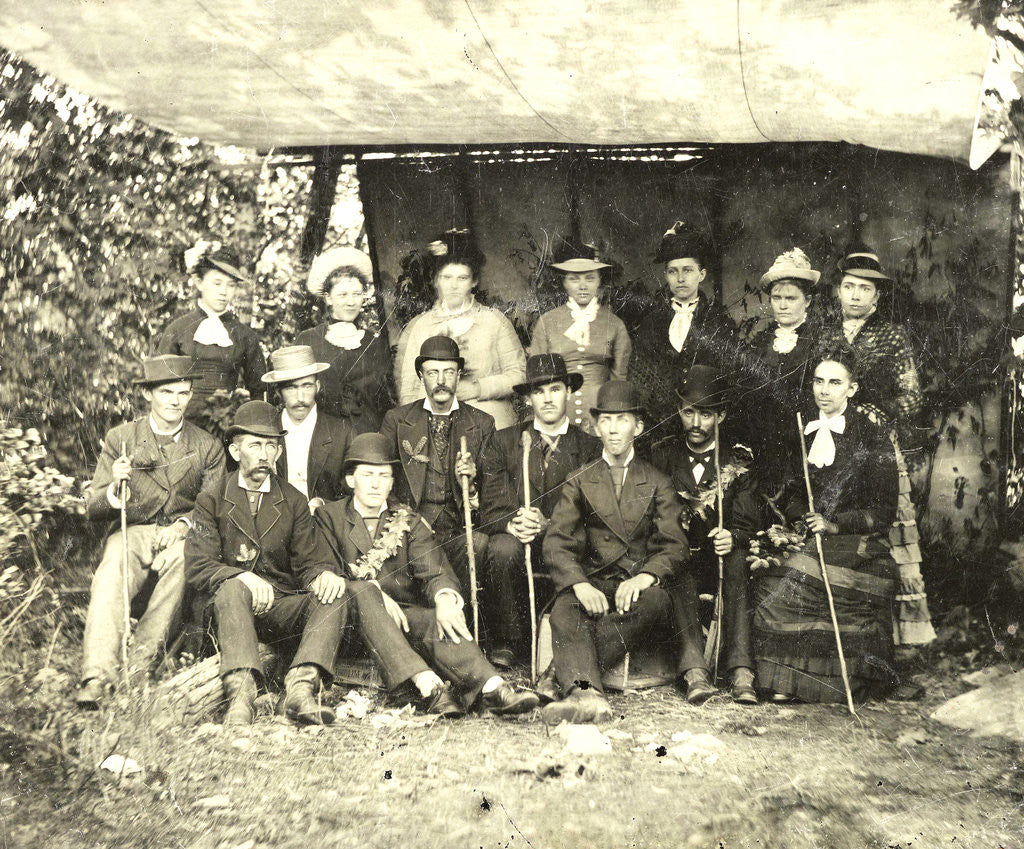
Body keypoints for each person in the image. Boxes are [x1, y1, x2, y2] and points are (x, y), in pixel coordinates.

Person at [314, 433, 539, 716]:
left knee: (438, 619)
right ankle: (430, 688)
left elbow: (435, 570)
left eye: (383, 476)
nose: (375, 484)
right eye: (367, 474)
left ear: (392, 482)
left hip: (404, 619)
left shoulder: (407, 520)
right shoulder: (329, 518)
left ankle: (494, 689)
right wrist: (375, 596)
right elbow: (326, 573)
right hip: (351, 622)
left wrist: (445, 597)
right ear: (350, 480)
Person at [540, 381, 713, 724]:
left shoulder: (657, 480)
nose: (614, 430)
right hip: (594, 582)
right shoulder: (579, 479)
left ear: (639, 426)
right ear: (595, 426)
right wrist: (579, 585)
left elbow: (674, 543)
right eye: (606, 421)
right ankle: (590, 697)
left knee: (657, 602)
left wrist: (645, 577)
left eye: (622, 420)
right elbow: (557, 542)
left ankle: (566, 678)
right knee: (563, 609)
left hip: (635, 587)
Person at [185, 401, 355, 726]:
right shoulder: (212, 499)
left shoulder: (292, 500)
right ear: (236, 452)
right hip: (228, 611)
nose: (265, 455)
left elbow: (310, 561)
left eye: (272, 446)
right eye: (255, 445)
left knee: (335, 594)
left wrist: (322, 575)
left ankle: (300, 690)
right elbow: (197, 567)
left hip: (278, 608)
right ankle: (240, 696)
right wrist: (241, 578)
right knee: (233, 587)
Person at [76, 355, 225, 708]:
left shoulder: (208, 446)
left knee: (182, 564)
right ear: (148, 394)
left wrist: (183, 526)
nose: (177, 401)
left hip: (183, 534)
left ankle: (135, 671)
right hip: (133, 530)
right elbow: (91, 506)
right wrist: (115, 487)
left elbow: (212, 510)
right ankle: (97, 675)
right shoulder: (122, 438)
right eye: (168, 392)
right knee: (113, 566)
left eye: (184, 393)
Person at [751, 352, 900, 703]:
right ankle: (783, 680)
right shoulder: (798, 429)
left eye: (835, 382)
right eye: (819, 381)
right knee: (774, 578)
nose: (825, 390)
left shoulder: (873, 438)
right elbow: (786, 493)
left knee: (805, 579)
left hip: (855, 540)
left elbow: (883, 511)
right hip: (806, 533)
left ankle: (838, 683)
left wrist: (834, 525)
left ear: (852, 388)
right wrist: (804, 516)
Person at [818, 246, 936, 673]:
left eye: (863, 289)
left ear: (877, 296)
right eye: (848, 286)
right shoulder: (827, 331)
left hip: (874, 446)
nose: (854, 295)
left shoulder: (891, 335)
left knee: (888, 533)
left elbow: (911, 396)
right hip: (832, 439)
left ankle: (896, 642)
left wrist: (874, 412)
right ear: (838, 291)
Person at [652, 366, 762, 704]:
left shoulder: (738, 460)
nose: (696, 424)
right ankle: (695, 672)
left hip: (720, 558)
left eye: (706, 414)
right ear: (679, 411)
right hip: (678, 557)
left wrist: (733, 537)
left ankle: (741, 671)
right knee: (677, 568)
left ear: (722, 415)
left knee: (738, 560)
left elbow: (748, 520)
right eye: (688, 413)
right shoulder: (662, 455)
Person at [483, 354, 602, 667]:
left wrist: (548, 523)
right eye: (539, 391)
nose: (548, 399)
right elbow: (492, 499)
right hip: (520, 538)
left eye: (555, 389)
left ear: (568, 392)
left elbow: (592, 508)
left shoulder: (590, 446)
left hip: (565, 541)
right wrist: (513, 522)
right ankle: (508, 642)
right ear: (528, 399)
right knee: (501, 547)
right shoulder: (504, 441)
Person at [379, 335, 509, 622]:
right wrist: (405, 517)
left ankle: (466, 631)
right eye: (432, 372)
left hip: (456, 532)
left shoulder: (481, 423)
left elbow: (495, 495)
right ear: (420, 375)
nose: (441, 380)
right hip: (410, 533)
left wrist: (472, 484)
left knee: (477, 545)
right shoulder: (397, 421)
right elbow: (383, 480)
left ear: (458, 375)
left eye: (449, 372)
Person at [393, 229, 526, 430]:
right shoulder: (420, 327)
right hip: (436, 424)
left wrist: (477, 388)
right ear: (435, 280)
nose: (453, 286)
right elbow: (409, 390)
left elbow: (519, 375)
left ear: (474, 281)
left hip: (490, 420)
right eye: (446, 278)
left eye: (462, 278)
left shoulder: (494, 321)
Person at [629, 221, 740, 440]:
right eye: (673, 271)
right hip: (658, 435)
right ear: (666, 276)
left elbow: (730, 383)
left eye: (688, 270)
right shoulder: (650, 324)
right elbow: (639, 383)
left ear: (702, 274)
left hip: (705, 432)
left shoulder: (719, 324)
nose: (680, 279)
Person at [529, 236, 632, 434]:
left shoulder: (615, 325)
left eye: (590, 277)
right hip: (558, 414)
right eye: (574, 278)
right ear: (564, 282)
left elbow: (619, 380)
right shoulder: (547, 322)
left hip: (600, 416)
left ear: (600, 280)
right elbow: (537, 379)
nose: (582, 286)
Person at [742, 248, 822, 490]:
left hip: (807, 444)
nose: (783, 305)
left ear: (807, 301)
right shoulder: (760, 342)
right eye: (777, 298)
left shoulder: (821, 340)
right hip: (766, 446)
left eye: (791, 298)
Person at [157, 239, 266, 415]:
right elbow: (159, 384)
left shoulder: (244, 336)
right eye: (217, 283)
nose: (224, 291)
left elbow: (259, 389)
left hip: (226, 425)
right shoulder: (178, 329)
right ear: (199, 283)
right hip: (182, 423)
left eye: (230, 285)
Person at [295, 246, 394, 432]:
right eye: (342, 295)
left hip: (368, 438)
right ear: (328, 298)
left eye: (357, 294)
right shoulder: (308, 340)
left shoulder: (374, 343)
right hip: (323, 438)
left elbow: (385, 402)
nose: (351, 302)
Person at [262, 345, 354, 511]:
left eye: (307, 386)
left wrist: (323, 505)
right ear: (278, 392)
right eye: (291, 387)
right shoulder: (265, 430)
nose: (300, 397)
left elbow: (353, 493)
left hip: (323, 524)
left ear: (317, 386)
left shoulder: (341, 432)